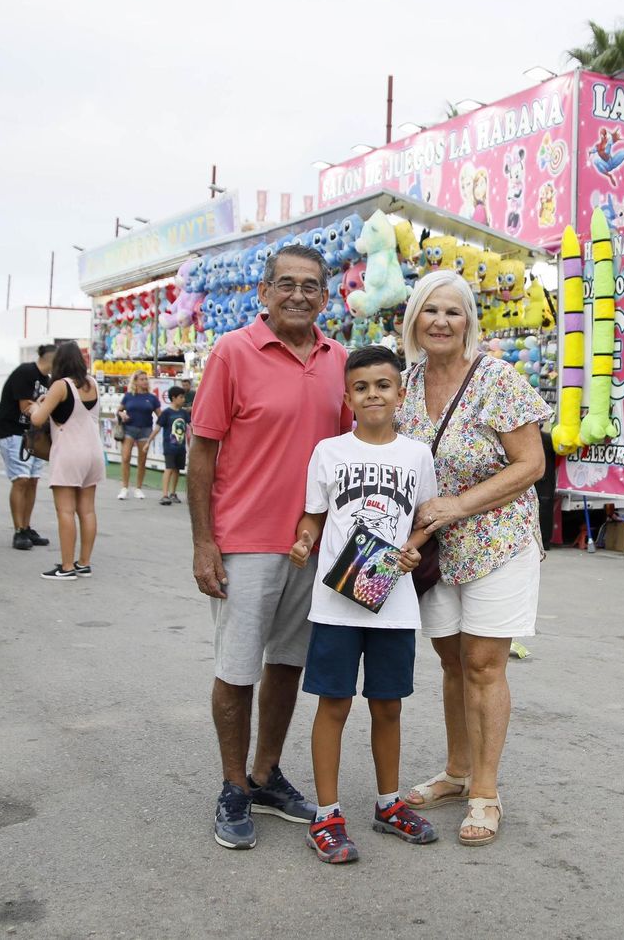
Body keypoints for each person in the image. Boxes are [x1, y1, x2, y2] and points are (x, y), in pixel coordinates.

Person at [188, 243, 351, 850]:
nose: (298, 295)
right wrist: (204, 541)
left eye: (310, 286)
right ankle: (233, 786)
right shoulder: (232, 352)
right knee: (237, 668)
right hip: (245, 541)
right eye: (286, 284)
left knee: (287, 663)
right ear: (264, 292)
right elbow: (202, 451)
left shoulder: (339, 360)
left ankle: (265, 775)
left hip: (313, 544)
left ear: (325, 297)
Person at [394, 270, 549, 846]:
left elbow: (531, 464)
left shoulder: (497, 379)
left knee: (484, 664)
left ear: (468, 323)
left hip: (496, 540)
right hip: (435, 548)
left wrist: (459, 505)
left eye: (452, 312)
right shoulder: (404, 384)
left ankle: (485, 791)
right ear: (413, 319)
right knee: (451, 662)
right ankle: (457, 772)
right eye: (430, 310)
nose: (440, 321)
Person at [288, 345, 440, 864]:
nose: (372, 394)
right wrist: (304, 541)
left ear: (401, 393)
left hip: (392, 602)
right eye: (361, 387)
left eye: (382, 385)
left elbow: (424, 519)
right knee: (333, 703)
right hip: (337, 602)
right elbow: (313, 516)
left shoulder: (417, 455)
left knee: (388, 705)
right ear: (347, 396)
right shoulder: (329, 452)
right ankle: (326, 815)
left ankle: (389, 803)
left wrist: (413, 547)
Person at [25, 341, 103, 580]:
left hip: (69, 453)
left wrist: (34, 408)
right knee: (87, 511)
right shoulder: (92, 384)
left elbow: (38, 419)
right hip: (94, 453)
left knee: (65, 511)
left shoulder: (61, 385)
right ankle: (84, 563)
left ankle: (67, 566)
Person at [0, 345, 54, 551]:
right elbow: (25, 407)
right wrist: (43, 407)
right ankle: (18, 530)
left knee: (33, 480)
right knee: (21, 479)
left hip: (34, 435)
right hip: (13, 432)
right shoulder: (26, 372)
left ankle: (26, 527)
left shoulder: (47, 380)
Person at [116, 371, 160, 500]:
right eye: (142, 379)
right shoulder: (128, 396)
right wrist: (122, 414)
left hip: (145, 430)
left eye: (146, 379)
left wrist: (158, 429)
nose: (145, 381)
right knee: (125, 457)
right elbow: (119, 410)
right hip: (129, 429)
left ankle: (138, 488)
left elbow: (160, 416)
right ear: (135, 381)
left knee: (142, 460)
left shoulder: (152, 398)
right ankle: (124, 488)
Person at [156, 386, 190, 506]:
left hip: (181, 447)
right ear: (174, 398)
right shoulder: (166, 413)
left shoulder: (184, 413)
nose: (183, 399)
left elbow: (190, 427)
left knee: (177, 470)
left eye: (183, 397)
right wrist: (149, 441)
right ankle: (164, 495)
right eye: (181, 397)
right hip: (169, 446)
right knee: (169, 468)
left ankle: (173, 493)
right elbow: (157, 427)